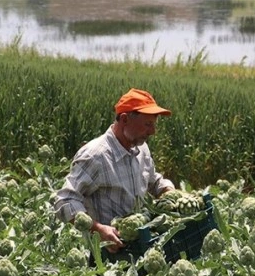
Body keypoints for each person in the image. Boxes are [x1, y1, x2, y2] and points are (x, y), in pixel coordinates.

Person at [53, 88, 175, 258]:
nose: (153, 131)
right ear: (124, 119)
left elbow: (153, 181)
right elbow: (64, 200)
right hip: (106, 256)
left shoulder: (141, 148)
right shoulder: (96, 156)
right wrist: (98, 230)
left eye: (154, 125)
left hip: (139, 250)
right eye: (148, 124)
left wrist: (171, 194)